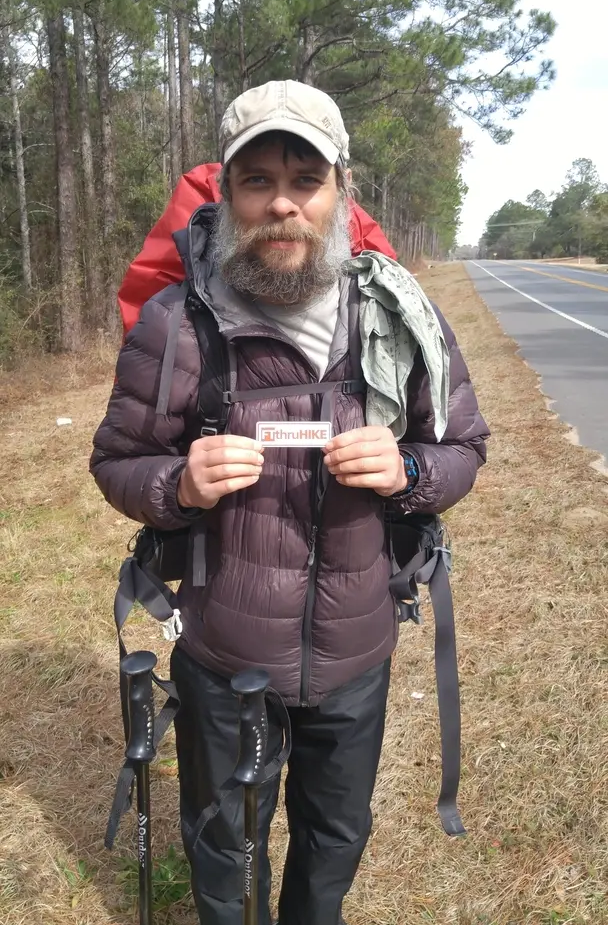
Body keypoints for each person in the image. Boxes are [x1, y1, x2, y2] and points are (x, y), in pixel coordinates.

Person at [90, 79, 489, 925]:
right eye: (257, 181)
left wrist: (409, 472)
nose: (282, 204)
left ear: (340, 189)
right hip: (225, 651)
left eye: (304, 180)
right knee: (222, 837)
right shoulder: (177, 326)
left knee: (336, 834)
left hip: (356, 649)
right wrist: (178, 484)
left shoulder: (396, 312)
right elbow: (118, 463)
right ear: (226, 194)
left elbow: (462, 447)